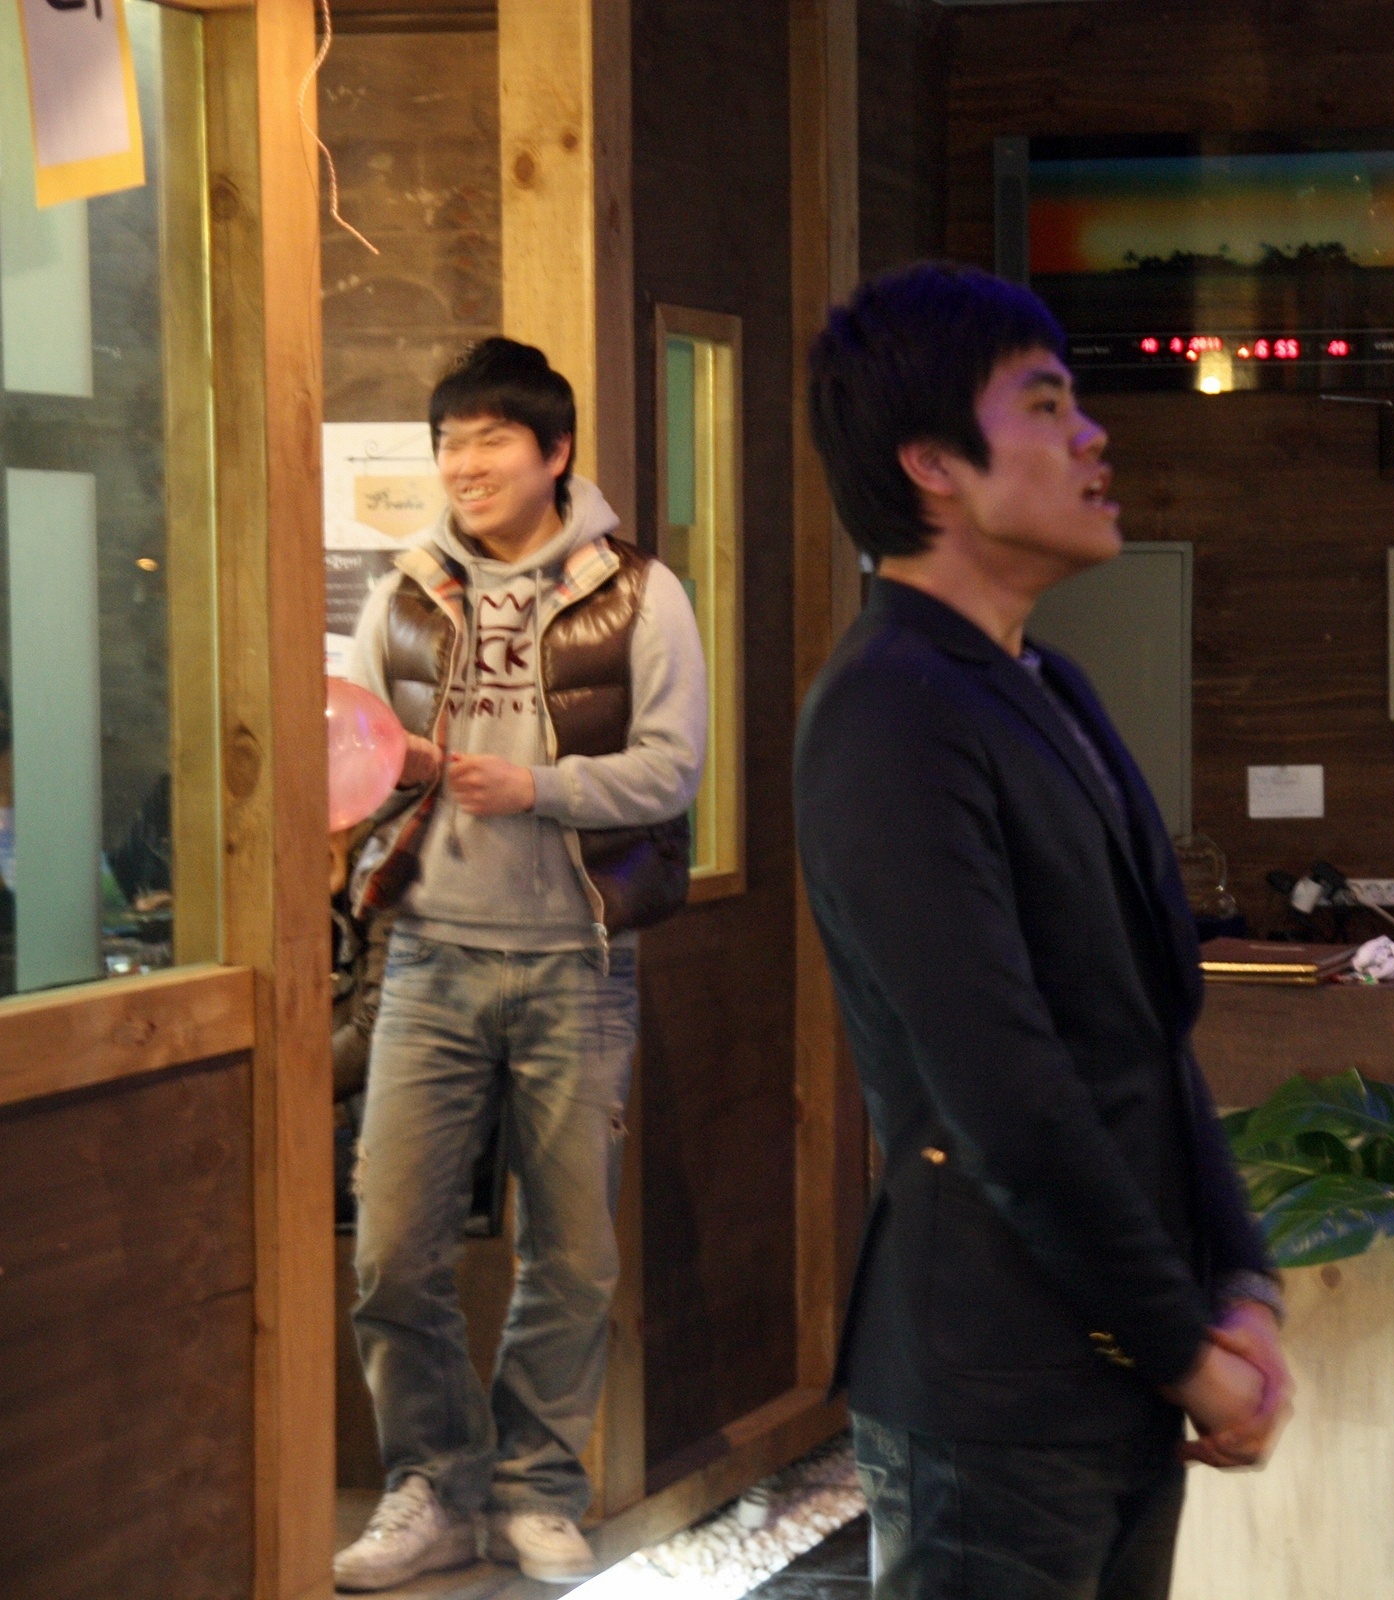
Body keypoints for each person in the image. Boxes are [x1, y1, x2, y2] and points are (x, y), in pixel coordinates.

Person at [795, 263, 1291, 1600]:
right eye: (1047, 404)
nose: (1093, 437)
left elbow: (1153, 1039)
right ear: (932, 466)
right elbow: (1004, 1092)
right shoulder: (888, 709)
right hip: (993, 1386)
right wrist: (1183, 1347)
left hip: (1114, 1376)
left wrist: (1241, 1285)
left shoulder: (1045, 682)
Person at [332, 338, 708, 1591]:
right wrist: (387, 775)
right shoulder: (405, 588)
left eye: (491, 439)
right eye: (449, 442)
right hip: (428, 956)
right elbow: (352, 745)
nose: (465, 464)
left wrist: (538, 787)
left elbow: (673, 768)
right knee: (392, 1251)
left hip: (577, 961)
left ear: (556, 453)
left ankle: (538, 1487)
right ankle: (434, 1486)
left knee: (572, 1251)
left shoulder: (638, 592)